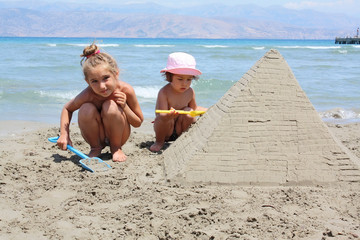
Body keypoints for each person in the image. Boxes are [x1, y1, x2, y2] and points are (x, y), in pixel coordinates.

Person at [57, 43, 143, 162]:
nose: (101, 86)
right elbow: (67, 109)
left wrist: (124, 106)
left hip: (119, 134)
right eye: (94, 81)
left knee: (111, 106)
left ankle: (116, 148)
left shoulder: (126, 90)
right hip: (98, 136)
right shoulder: (88, 94)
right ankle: (95, 147)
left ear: (116, 73)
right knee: (85, 108)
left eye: (105, 78)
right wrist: (64, 134)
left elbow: (138, 123)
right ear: (87, 82)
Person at [150, 52, 206, 152]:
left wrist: (206, 110)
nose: (184, 83)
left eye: (189, 80)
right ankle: (159, 142)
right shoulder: (164, 92)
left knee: (189, 111)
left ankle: (185, 139)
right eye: (180, 79)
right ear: (169, 77)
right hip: (166, 130)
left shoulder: (190, 92)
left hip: (181, 129)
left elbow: (194, 108)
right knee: (160, 118)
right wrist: (168, 116)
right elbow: (160, 113)